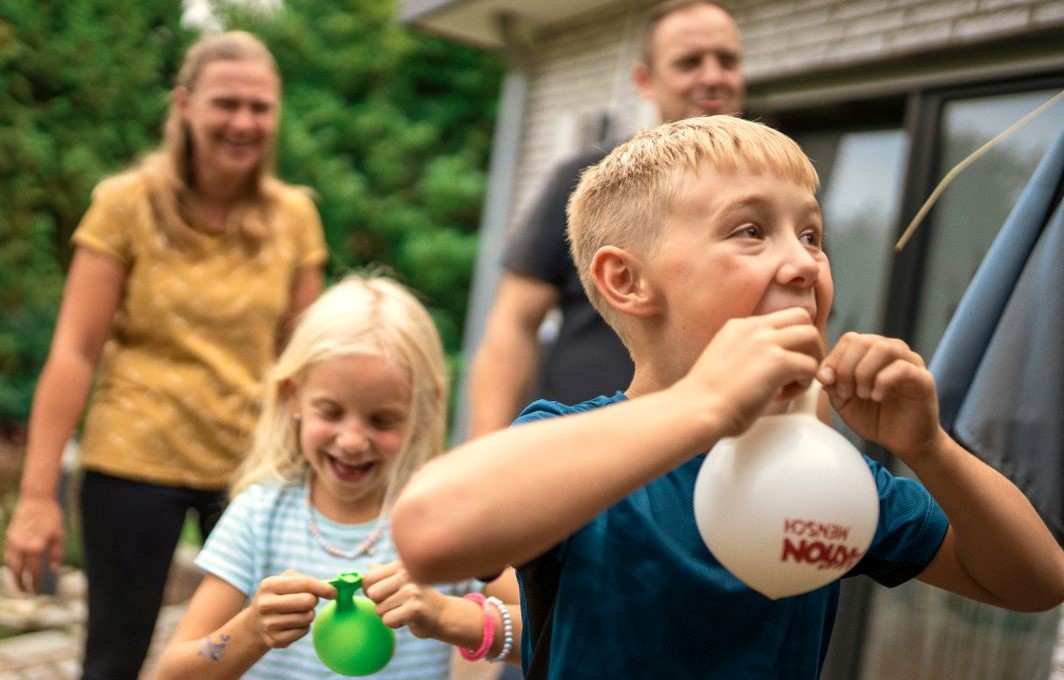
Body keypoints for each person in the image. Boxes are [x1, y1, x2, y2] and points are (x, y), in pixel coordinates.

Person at [390, 116, 1064, 679]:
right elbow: (431, 529)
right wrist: (704, 405)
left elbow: (1034, 583)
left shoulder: (832, 481)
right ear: (627, 281)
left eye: (812, 235)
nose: (804, 263)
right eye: (749, 231)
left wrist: (930, 448)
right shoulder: (579, 445)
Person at [2, 31, 327, 680]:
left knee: (261, 654)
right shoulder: (126, 204)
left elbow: (305, 363)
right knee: (116, 656)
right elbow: (75, 349)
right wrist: (38, 496)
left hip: (247, 470)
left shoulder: (294, 217)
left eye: (260, 107)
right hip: (133, 460)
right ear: (185, 105)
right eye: (225, 103)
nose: (243, 121)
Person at [155, 275, 521, 680]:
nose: (351, 441)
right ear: (293, 395)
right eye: (331, 412)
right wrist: (252, 629)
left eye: (382, 420)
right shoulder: (259, 516)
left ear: (424, 411)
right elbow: (173, 674)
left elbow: (555, 632)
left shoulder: (446, 520)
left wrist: (446, 614)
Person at [467, 0, 744, 437]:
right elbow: (514, 323)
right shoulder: (590, 180)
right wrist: (483, 456)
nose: (712, 76)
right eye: (689, 62)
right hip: (580, 451)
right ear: (644, 80)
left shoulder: (776, 192)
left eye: (726, 60)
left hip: (713, 461)